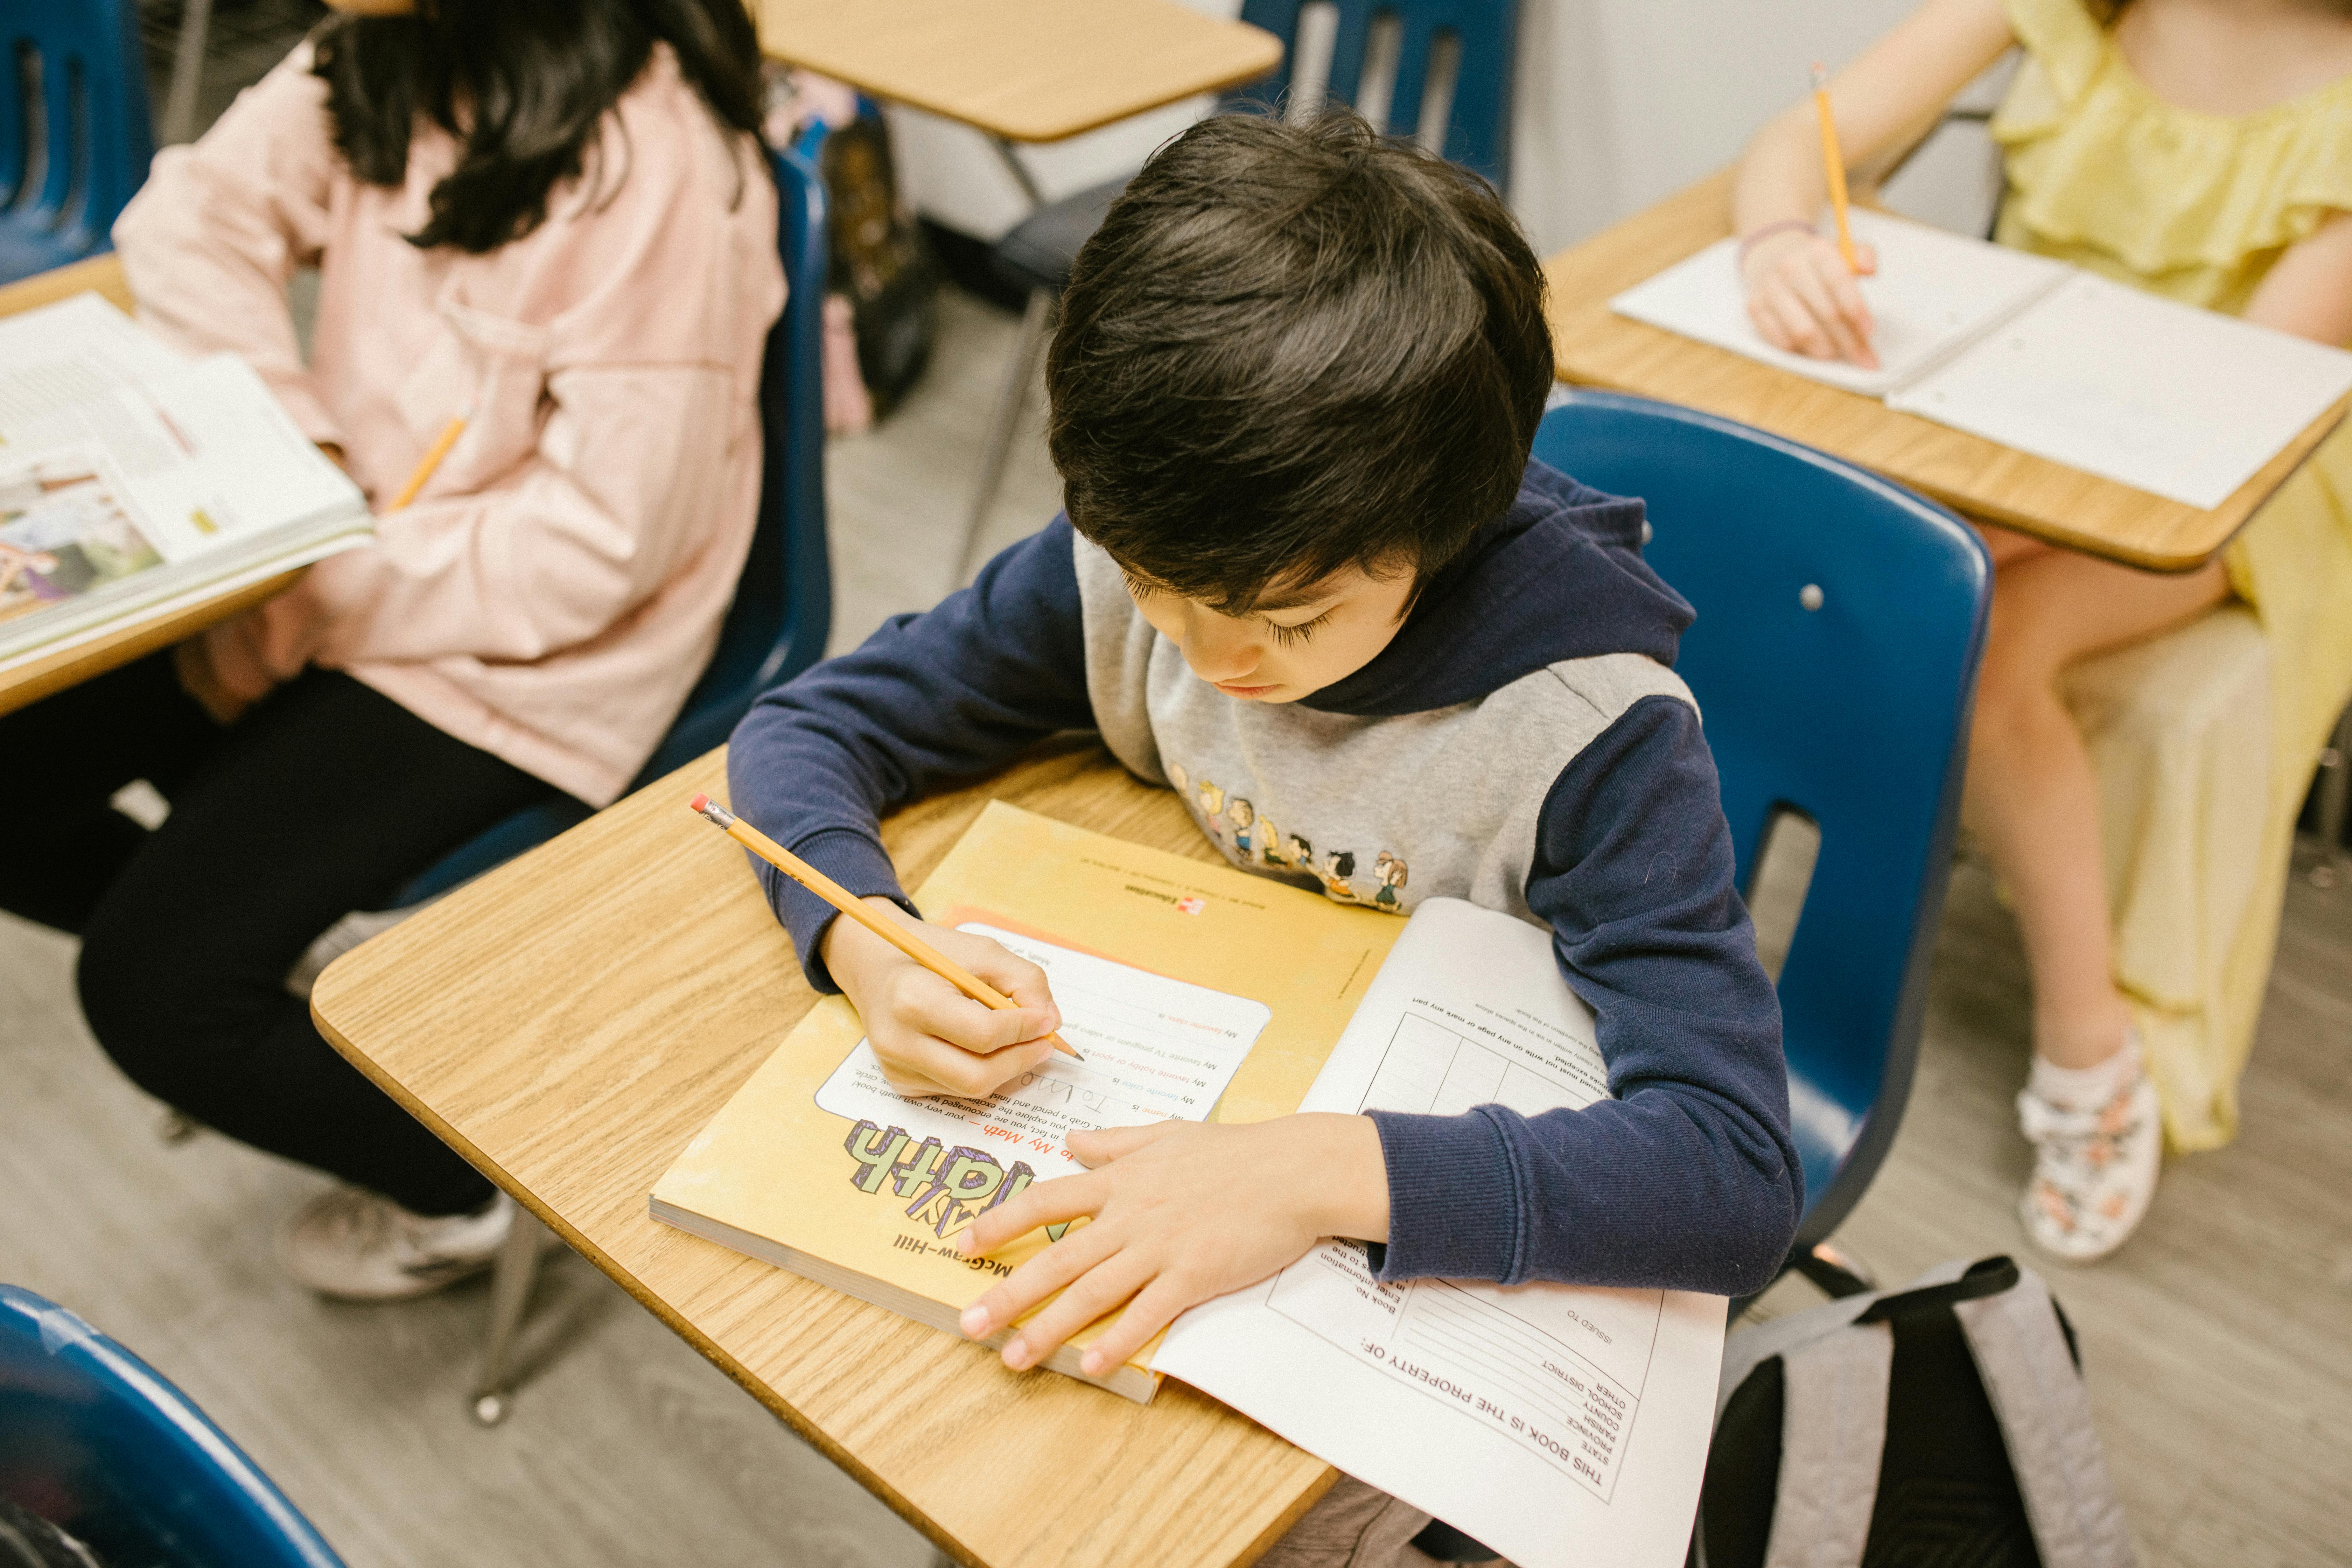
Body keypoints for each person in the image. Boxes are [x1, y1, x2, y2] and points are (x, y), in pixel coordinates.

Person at [727, 110, 1800, 1564]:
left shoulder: (1591, 733)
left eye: (1289, 622)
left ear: (1446, 528)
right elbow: (805, 730)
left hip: (1404, 1224)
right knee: (999, 1457)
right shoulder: (1144, 551)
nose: (1216, 660)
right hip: (1205, 1097)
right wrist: (866, 932)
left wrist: (1303, 1175)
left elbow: (1731, 1173)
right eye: (1169, 596)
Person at [0, 0, 783, 1300]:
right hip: (340, 550)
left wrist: (296, 589)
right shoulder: (373, 46)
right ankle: (292, 965)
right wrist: (292, 445)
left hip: (525, 655)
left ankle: (456, 1187)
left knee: (152, 994)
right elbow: (189, 216)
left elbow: (596, 554)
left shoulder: (651, 163)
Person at [1733, 0, 2352, 1260]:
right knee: (1777, 532)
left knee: (1991, 638)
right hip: (2005, 423)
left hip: (2241, 489)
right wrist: (1779, 242)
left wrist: (1957, 523)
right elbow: (1803, 140)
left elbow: (2223, 425)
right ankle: (1702, 937)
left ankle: (2092, 1058)